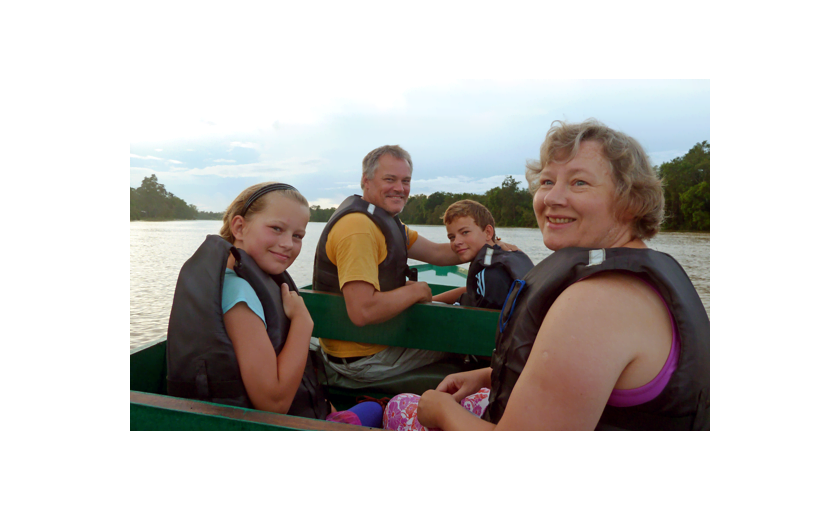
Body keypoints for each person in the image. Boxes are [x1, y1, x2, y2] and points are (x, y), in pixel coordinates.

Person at [384, 119, 710, 431]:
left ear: (631, 201)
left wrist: (442, 410)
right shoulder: (638, 272)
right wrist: (487, 375)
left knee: (402, 408)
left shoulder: (599, 302)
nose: (552, 198)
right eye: (547, 181)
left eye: (579, 182)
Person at [166, 182, 384, 427]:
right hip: (270, 423)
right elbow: (274, 402)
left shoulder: (234, 280)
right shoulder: (239, 295)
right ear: (239, 227)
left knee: (372, 408)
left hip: (295, 417)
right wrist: (303, 321)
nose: (288, 244)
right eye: (276, 228)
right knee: (388, 408)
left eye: (297, 236)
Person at [312, 145, 518, 383]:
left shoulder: (383, 221)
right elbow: (362, 311)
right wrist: (417, 290)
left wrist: (491, 245)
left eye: (405, 181)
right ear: (366, 181)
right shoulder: (359, 229)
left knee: (459, 325)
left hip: (379, 342)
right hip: (363, 359)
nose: (400, 188)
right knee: (473, 339)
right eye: (390, 179)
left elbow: (439, 254)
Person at [432, 199, 534, 309]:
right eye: (452, 237)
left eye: (465, 232)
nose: (456, 242)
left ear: (488, 232)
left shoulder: (488, 272)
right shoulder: (510, 256)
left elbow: (483, 319)